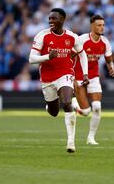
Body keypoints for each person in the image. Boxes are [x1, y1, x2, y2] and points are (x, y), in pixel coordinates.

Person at [29, 8, 89, 153]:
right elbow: (31, 59)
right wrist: (47, 57)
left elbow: (82, 54)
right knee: (54, 111)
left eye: (54, 18)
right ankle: (49, 106)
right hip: (47, 77)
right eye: (49, 19)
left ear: (63, 20)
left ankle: (71, 142)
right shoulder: (42, 36)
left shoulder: (72, 37)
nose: (51, 21)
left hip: (65, 73)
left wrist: (85, 74)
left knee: (67, 102)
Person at [71, 14, 114, 145]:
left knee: (96, 106)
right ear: (92, 26)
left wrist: (111, 67)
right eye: (99, 25)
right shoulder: (82, 40)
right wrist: (71, 76)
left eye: (103, 25)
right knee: (85, 112)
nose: (102, 28)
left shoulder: (105, 42)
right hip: (78, 76)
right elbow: (70, 56)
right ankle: (76, 104)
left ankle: (91, 138)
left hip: (93, 77)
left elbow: (108, 59)